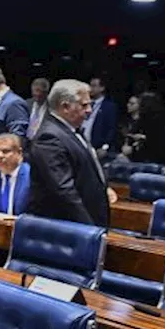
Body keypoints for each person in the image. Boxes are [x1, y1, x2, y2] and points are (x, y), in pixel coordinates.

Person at [27, 79, 115, 227]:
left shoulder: (72, 131)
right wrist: (89, 228)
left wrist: (103, 186)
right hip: (67, 228)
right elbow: (64, 191)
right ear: (65, 106)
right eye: (84, 105)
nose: (89, 110)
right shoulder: (49, 138)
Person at [120, 92, 165, 163]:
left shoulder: (158, 121)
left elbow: (156, 141)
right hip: (134, 156)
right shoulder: (140, 121)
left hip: (150, 159)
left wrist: (142, 138)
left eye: (141, 103)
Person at [84, 76, 119, 155]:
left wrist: (105, 147)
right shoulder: (85, 103)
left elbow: (111, 129)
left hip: (97, 146)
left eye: (94, 86)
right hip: (82, 144)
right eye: (90, 85)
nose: (90, 88)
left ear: (102, 88)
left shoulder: (109, 107)